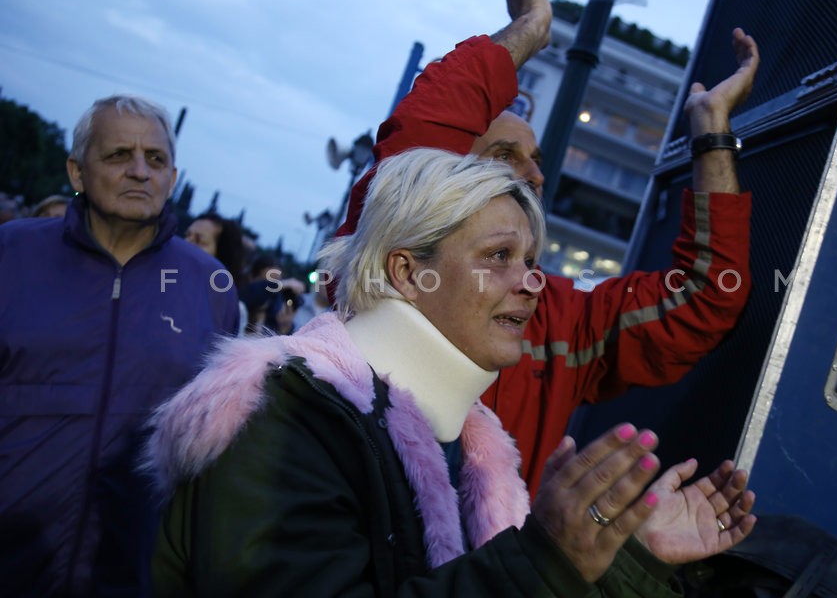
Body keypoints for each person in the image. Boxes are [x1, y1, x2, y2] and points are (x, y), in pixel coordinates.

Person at [144, 148, 756, 596]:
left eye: (531, 260)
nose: (532, 282)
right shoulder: (284, 421)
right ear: (408, 272)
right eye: (499, 257)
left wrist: (627, 559)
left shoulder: (471, 446)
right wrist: (547, 558)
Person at [335, 0, 759, 496]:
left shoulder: (560, 319)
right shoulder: (384, 261)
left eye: (535, 159)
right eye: (505, 154)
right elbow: (422, 135)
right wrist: (530, 30)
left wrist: (711, 132)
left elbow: (704, 297)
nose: (534, 174)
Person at [0, 94, 239, 596]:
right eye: (117, 156)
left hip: (131, 574)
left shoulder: (210, 286)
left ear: (173, 178)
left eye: (155, 159)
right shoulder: (11, 255)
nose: (139, 171)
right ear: (76, 172)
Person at [185, 212, 250, 333]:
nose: (186, 243)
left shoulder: (232, 309)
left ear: (222, 254)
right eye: (187, 235)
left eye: (199, 241)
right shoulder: (164, 283)